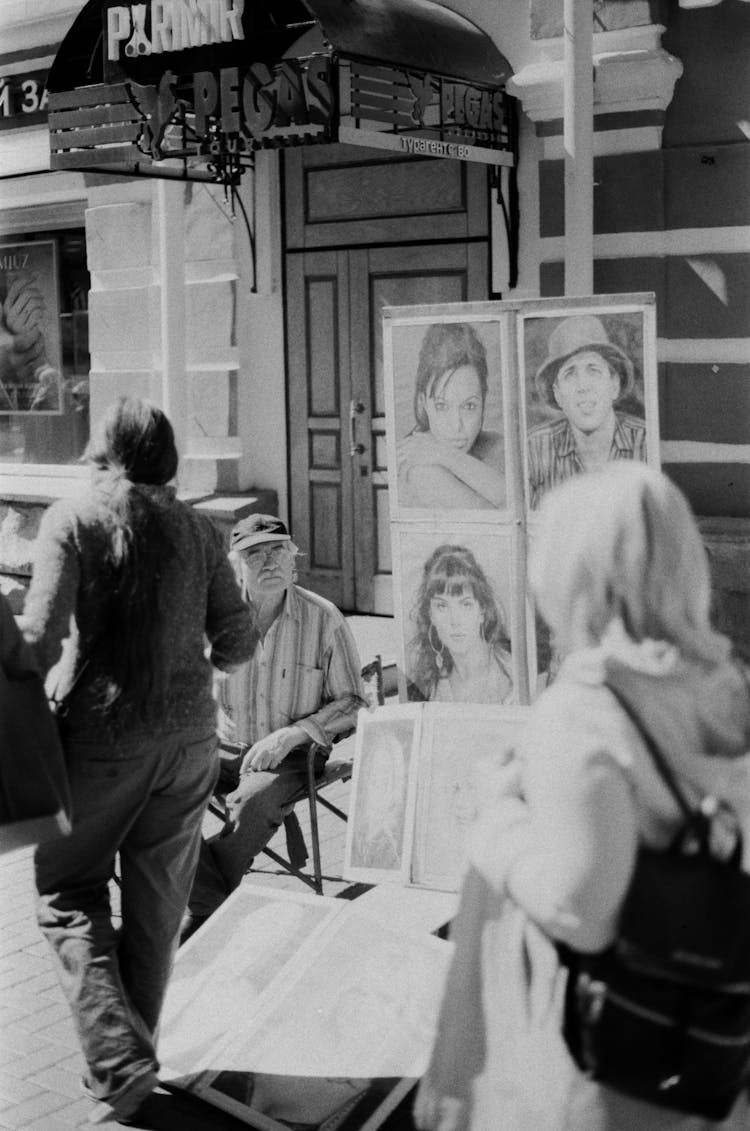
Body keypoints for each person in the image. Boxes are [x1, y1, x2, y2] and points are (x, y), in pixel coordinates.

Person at [414, 462, 750, 1131]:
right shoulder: (727, 687)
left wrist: (498, 816)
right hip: (709, 1041)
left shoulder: (584, 707)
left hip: (606, 1070)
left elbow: (581, 908)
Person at [17, 396, 256, 1125]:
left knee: (66, 891)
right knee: (157, 910)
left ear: (102, 448)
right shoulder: (198, 528)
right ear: (167, 458)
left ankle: (120, 1062)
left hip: (100, 739)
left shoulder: (72, 518)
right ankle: (128, 1069)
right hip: (189, 743)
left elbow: (40, 638)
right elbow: (237, 643)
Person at [185, 513, 366, 932]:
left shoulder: (324, 619)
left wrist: (293, 734)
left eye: (277, 552)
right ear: (236, 566)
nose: (268, 562)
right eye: (255, 554)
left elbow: (355, 701)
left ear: (293, 560)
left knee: (255, 802)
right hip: (222, 746)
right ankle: (211, 902)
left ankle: (196, 904)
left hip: (293, 755)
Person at [527, 313, 647, 509]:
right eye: (569, 373)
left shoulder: (644, 442)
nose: (583, 386)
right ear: (558, 394)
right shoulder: (535, 448)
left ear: (614, 384)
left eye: (593, 370)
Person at [397, 322, 506, 509]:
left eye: (470, 406)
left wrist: (445, 455)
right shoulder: (418, 466)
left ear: (484, 401)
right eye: (442, 406)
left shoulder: (497, 446)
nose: (457, 425)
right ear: (424, 403)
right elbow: (505, 519)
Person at [407, 544, 514, 704]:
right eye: (442, 606)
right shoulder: (430, 681)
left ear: (482, 611)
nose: (454, 621)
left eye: (466, 605)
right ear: (431, 615)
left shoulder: (510, 675)